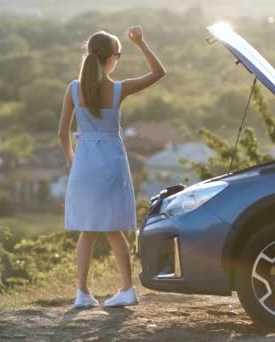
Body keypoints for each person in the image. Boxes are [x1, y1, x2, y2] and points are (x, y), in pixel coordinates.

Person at [57, 26, 165, 308]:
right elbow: (158, 72)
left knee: (87, 229)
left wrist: (72, 160)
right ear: (111, 58)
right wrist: (140, 42)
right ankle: (127, 289)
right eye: (119, 54)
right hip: (112, 161)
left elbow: (61, 134)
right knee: (114, 227)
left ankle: (82, 293)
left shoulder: (73, 89)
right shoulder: (119, 89)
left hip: (84, 162)